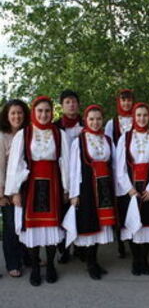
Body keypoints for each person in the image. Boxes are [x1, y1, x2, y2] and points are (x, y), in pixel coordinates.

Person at [5, 96, 69, 286]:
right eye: (40, 110)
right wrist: (14, 191)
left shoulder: (59, 134)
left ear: (52, 112)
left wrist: (67, 188)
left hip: (53, 185)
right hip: (31, 186)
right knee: (32, 228)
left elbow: (64, 163)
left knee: (51, 227)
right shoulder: (24, 134)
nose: (43, 114)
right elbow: (15, 165)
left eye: (47, 111)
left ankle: (50, 265)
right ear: (34, 112)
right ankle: (34, 267)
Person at [66, 105, 116, 280]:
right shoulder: (79, 141)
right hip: (87, 187)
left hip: (104, 187)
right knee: (89, 224)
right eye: (91, 119)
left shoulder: (108, 139)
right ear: (86, 120)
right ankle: (90, 263)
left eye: (98, 119)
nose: (95, 122)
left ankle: (94, 260)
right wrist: (74, 194)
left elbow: (114, 165)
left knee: (101, 225)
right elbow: (74, 169)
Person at [116, 102, 149, 275]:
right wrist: (129, 189)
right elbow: (120, 167)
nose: (142, 118)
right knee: (132, 224)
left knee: (148, 224)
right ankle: (136, 259)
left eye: (145, 115)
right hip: (131, 188)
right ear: (133, 117)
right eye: (138, 115)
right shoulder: (125, 138)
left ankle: (144, 258)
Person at [0, 99, 30, 277]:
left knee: (26, 224)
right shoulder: (3, 137)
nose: (17, 116)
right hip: (8, 191)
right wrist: (2, 193)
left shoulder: (28, 133)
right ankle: (13, 263)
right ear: (6, 116)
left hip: (27, 188)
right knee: (11, 227)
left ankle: (27, 257)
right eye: (13, 113)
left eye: (20, 113)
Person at [105, 88, 135, 258]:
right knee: (120, 205)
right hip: (118, 169)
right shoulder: (112, 123)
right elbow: (109, 146)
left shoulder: (138, 118)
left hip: (135, 170)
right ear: (118, 102)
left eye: (129, 100)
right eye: (123, 100)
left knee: (133, 203)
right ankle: (120, 242)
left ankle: (133, 238)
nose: (126, 103)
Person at [55, 89, 83, 264]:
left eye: (74, 101)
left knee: (81, 211)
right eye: (67, 102)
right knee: (61, 211)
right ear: (62, 106)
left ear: (78, 104)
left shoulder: (88, 123)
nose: (71, 105)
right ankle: (63, 249)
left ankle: (80, 247)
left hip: (82, 175)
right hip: (61, 175)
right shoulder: (55, 126)